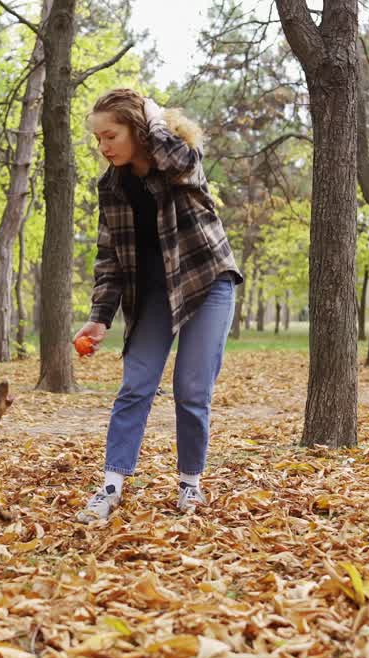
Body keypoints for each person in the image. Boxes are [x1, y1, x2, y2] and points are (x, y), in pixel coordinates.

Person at [73, 88, 243, 523]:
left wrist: (154, 121)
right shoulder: (111, 187)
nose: (103, 146)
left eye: (111, 135)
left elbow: (181, 162)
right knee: (136, 385)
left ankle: (190, 486)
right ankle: (110, 487)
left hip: (206, 282)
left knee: (191, 389)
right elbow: (109, 257)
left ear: (138, 128)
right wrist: (99, 318)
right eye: (98, 140)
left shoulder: (180, 161)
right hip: (153, 293)